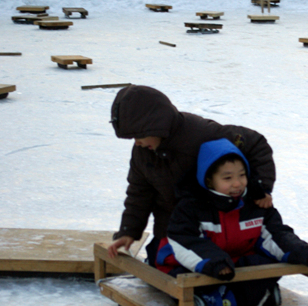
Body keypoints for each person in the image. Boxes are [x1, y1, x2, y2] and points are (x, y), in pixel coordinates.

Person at [106, 85, 276, 263]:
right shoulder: (143, 153)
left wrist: (261, 188)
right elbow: (139, 192)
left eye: (139, 135)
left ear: (155, 125)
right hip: (172, 229)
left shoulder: (201, 134)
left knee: (222, 267)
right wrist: (128, 231)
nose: (137, 143)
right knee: (164, 266)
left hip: (215, 228)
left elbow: (256, 145)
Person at [155, 138, 308, 306]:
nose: (237, 183)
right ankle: (225, 298)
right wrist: (215, 262)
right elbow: (186, 241)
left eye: (242, 175)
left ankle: (236, 297)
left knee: (265, 265)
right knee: (185, 277)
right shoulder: (191, 207)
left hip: (235, 260)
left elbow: (276, 234)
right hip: (192, 260)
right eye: (227, 178)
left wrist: (299, 251)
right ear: (209, 180)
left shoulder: (255, 205)